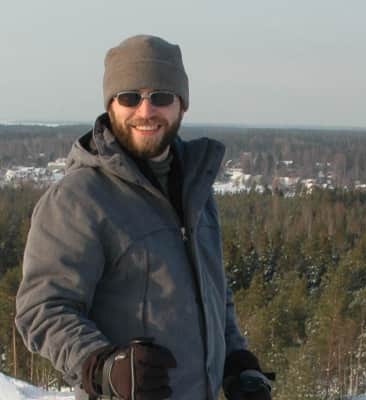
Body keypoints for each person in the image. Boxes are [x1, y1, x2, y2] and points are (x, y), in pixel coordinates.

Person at [15, 35, 271, 400]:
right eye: (130, 97)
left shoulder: (195, 188)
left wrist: (236, 361)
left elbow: (213, 293)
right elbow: (43, 308)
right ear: (110, 105)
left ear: (182, 104)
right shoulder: (79, 198)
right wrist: (101, 366)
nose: (146, 110)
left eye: (161, 96)